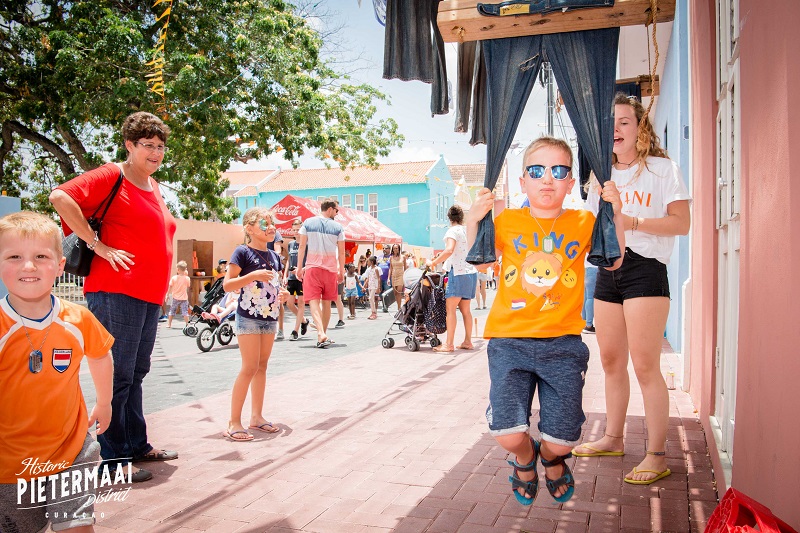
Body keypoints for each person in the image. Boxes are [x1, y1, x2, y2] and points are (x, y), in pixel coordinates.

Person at [466, 136, 625, 506]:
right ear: (523, 181)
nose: (548, 179)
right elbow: (483, 263)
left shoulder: (584, 221)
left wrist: (614, 214)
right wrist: (475, 220)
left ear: (572, 182)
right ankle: (524, 457)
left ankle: (551, 457)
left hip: (562, 344)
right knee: (507, 433)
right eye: (537, 171)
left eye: (559, 171)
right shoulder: (506, 221)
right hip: (509, 340)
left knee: (563, 439)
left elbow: (614, 261)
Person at [50, 111, 178, 483]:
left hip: (149, 294)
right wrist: (97, 245)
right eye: (147, 145)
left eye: (160, 146)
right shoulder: (113, 174)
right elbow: (60, 196)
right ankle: (112, 459)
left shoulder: (154, 186)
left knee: (137, 372)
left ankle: (136, 444)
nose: (155, 153)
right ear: (129, 145)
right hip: (116, 290)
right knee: (118, 375)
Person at [573, 94, 691, 485]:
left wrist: (632, 219)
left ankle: (657, 455)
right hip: (608, 270)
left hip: (645, 269)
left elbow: (680, 223)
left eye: (624, 122)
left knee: (644, 364)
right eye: (610, 124)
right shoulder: (599, 175)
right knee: (609, 360)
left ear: (640, 129)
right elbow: (589, 226)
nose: (616, 130)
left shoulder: (662, 169)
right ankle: (613, 437)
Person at [0, 212, 115, 533]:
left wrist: (104, 403)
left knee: (78, 526)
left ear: (60, 265)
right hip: (10, 465)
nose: (28, 266)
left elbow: (101, 354)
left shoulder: (77, 318)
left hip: (71, 451)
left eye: (40, 256)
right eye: (14, 256)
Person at [222, 207, 289, 441]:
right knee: (249, 367)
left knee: (262, 366)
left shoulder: (274, 257)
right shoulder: (241, 252)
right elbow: (227, 285)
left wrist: (283, 295)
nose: (271, 227)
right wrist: (252, 276)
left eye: (272, 223)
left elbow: (277, 286)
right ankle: (234, 422)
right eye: (264, 223)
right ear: (249, 228)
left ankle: (256, 417)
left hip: (269, 317)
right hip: (248, 316)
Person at [426, 205, 478, 353]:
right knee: (466, 310)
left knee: (450, 310)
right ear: (462, 217)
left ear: (449, 218)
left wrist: (434, 262)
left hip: (459, 272)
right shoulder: (466, 230)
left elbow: (449, 249)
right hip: (470, 272)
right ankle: (468, 341)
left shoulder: (452, 231)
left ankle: (448, 344)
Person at [296, 198, 345, 348]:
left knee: (313, 301)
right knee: (327, 303)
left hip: (312, 268)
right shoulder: (338, 227)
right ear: (330, 209)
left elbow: (302, 246)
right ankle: (322, 334)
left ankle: (320, 333)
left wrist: (299, 267)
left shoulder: (308, 223)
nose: (337, 213)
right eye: (336, 210)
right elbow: (342, 252)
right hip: (330, 270)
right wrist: (341, 270)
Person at [284, 218, 310, 341]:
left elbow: (310, 261)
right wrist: (285, 275)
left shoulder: (307, 244)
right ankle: (304, 320)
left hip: (303, 278)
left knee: (300, 303)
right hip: (291, 277)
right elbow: (289, 260)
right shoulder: (290, 244)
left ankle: (295, 330)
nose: (296, 232)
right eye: (294, 230)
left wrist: (301, 270)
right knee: (289, 303)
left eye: (298, 229)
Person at [267, 229, 287, 340]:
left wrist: (276, 268)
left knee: (278, 300)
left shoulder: (275, 234)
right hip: (259, 270)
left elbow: (278, 251)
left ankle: (280, 329)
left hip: (273, 270)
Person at [167, 260, 191, 329]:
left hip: (175, 297)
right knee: (185, 312)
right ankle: (187, 324)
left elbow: (170, 286)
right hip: (184, 298)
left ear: (178, 269)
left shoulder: (174, 278)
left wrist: (167, 295)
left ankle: (169, 324)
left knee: (172, 310)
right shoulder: (187, 278)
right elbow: (188, 286)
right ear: (185, 269)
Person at [387, 243, 406, 312]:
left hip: (401, 275)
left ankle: (399, 307)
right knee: (395, 293)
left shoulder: (403, 257)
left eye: (397, 248)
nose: (395, 250)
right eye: (394, 248)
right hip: (394, 275)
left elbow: (405, 268)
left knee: (399, 291)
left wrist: (406, 277)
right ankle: (398, 305)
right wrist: (388, 278)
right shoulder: (391, 257)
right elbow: (390, 268)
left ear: (399, 249)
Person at [582, 259, 598, 333]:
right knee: (591, 297)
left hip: (585, 268)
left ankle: (583, 322)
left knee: (586, 296)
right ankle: (589, 325)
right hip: (594, 268)